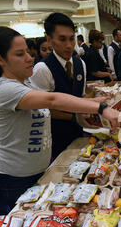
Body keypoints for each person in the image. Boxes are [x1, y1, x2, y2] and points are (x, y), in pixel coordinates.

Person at [0, 26, 121, 210]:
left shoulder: (26, 81)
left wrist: (91, 102)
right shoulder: (4, 89)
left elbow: (57, 101)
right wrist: (101, 108)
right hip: (16, 175)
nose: (30, 58)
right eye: (20, 54)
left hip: (41, 167)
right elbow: (52, 100)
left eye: (28, 52)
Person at [29, 13, 88, 159]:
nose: (69, 45)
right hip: (55, 134)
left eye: (71, 38)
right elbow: (41, 108)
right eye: (62, 39)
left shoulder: (81, 64)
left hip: (79, 132)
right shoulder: (42, 69)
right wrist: (73, 117)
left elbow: (81, 95)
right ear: (49, 40)